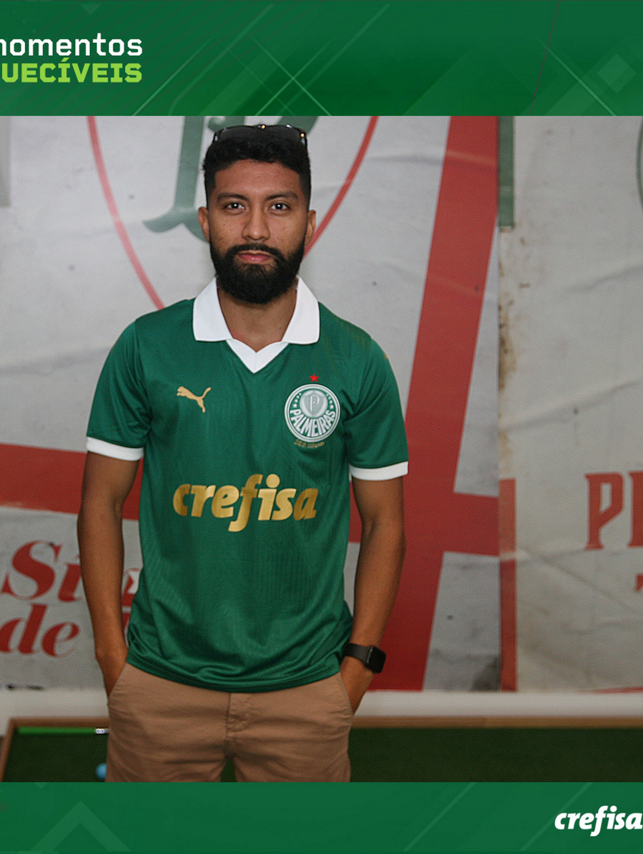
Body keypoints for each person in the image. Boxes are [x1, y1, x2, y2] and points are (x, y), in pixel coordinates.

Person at [77, 124, 407, 782]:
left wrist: (356, 668)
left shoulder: (357, 359)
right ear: (205, 221)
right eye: (235, 206)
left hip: (307, 688)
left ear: (310, 221)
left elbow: (386, 523)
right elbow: (99, 503)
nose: (256, 228)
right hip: (160, 683)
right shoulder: (146, 347)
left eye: (279, 206)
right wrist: (114, 660)